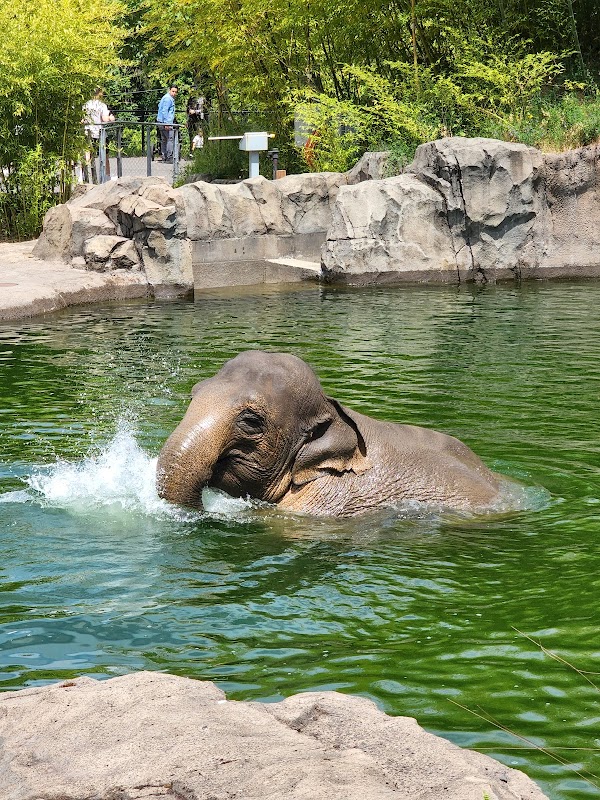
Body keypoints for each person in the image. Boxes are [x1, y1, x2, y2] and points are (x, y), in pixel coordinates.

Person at [82, 87, 115, 181]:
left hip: (88, 132)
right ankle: (106, 177)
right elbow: (104, 119)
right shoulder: (102, 105)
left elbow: (83, 119)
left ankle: (85, 176)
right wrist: (111, 118)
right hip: (100, 133)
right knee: (105, 156)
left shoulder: (86, 105)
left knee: (88, 155)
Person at [157, 85, 178, 163]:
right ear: (169, 90)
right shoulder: (168, 99)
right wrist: (166, 123)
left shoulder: (165, 98)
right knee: (170, 139)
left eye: (175, 92)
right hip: (165, 122)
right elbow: (164, 111)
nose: (174, 93)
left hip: (161, 121)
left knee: (164, 140)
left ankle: (164, 157)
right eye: (173, 91)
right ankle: (169, 157)